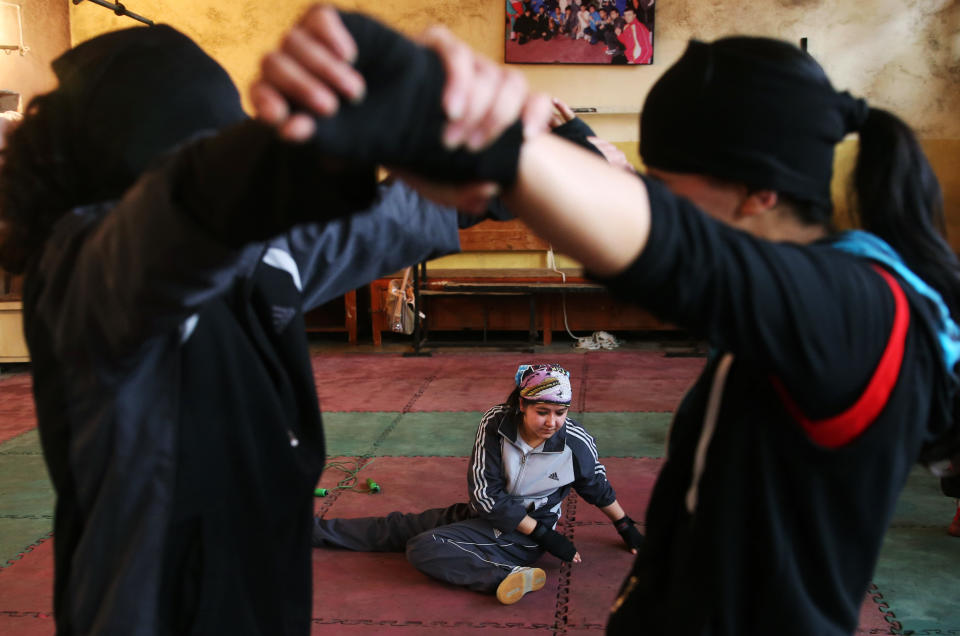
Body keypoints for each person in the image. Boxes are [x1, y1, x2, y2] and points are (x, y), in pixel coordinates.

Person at [256, 10, 960, 636]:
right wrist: (579, 144)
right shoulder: (851, 297)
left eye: (672, 183)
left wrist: (489, 140)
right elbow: (666, 221)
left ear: (760, 192)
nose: (657, 199)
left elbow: (669, 248)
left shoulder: (857, 311)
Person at [0, 9, 549, 635]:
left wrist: (526, 170)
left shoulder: (259, 252)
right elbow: (180, 215)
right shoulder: (89, 265)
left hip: (263, 590)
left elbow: (373, 226)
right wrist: (333, 127)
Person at [311, 364, 644, 604]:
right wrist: (549, 538)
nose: (552, 422)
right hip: (487, 514)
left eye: (561, 412)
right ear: (522, 405)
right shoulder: (496, 423)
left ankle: (506, 575)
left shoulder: (574, 441)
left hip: (524, 534)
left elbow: (596, 486)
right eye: (543, 411)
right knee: (399, 527)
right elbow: (485, 496)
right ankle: (308, 531)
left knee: (424, 547)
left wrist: (626, 527)